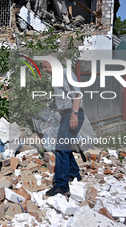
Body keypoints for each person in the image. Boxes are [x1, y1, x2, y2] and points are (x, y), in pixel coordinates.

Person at [42, 57, 85, 196]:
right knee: (64, 146)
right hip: (65, 115)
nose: (44, 70)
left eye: (46, 67)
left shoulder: (66, 74)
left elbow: (77, 95)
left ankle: (62, 186)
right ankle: (74, 174)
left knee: (61, 147)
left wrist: (74, 115)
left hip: (71, 114)